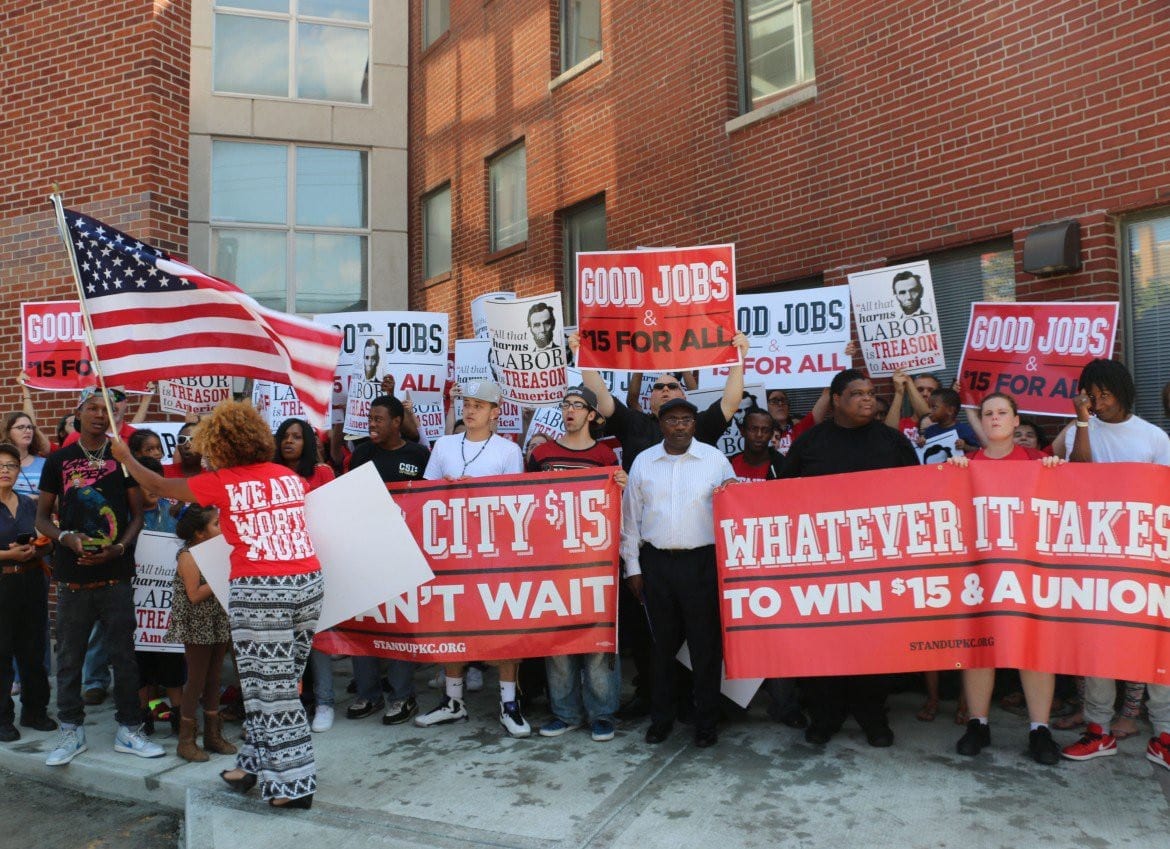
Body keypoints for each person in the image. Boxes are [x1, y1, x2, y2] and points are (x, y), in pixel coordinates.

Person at [111, 401, 323, 808]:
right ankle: (250, 767)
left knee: (273, 693)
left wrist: (125, 458)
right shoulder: (289, 477)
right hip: (308, 585)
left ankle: (296, 785)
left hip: (262, 592)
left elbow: (157, 488)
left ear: (221, 445)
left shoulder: (223, 482)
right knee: (269, 687)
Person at [573, 330, 748, 720]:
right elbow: (601, 397)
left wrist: (738, 355)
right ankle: (656, 706)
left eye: (674, 385)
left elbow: (732, 400)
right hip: (652, 561)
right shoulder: (635, 426)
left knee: (702, 642)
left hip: (700, 560)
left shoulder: (700, 433)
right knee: (653, 641)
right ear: (650, 402)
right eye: (659, 386)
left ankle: (702, 712)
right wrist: (583, 355)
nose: (666, 390)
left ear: (688, 409)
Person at [781, 368, 920, 747]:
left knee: (873, 646)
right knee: (825, 645)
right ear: (836, 399)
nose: (868, 399)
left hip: (878, 564)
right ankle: (826, 715)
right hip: (822, 566)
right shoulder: (810, 443)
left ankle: (872, 715)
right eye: (857, 393)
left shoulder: (892, 442)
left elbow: (922, 493)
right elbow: (776, 495)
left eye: (872, 394)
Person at [1054, 359, 1170, 769]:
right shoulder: (1077, 431)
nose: (1099, 401)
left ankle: (1165, 735)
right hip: (1092, 555)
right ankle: (1098, 731)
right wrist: (1083, 422)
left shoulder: (1153, 437)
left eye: (1105, 393)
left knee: (1153, 646)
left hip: (1143, 558)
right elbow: (1080, 474)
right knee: (1098, 647)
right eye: (1091, 394)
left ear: (1122, 391)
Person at [36, 388, 161, 765]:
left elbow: (137, 515)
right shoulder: (59, 460)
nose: (98, 415)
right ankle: (71, 730)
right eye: (91, 408)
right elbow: (42, 518)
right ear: (78, 414)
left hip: (115, 575)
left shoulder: (123, 458)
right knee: (69, 657)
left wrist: (119, 549)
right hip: (72, 577)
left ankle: (129, 729)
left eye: (105, 410)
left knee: (123, 656)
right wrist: (66, 537)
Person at [944, 392, 1064, 765]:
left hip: (1029, 570)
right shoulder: (966, 464)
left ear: (1016, 422)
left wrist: (1061, 470)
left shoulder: (1040, 462)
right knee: (981, 645)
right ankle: (978, 723)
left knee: (1035, 647)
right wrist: (952, 478)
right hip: (981, 571)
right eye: (988, 413)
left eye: (1002, 413)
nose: (995, 418)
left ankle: (1039, 729)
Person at [414, 380, 528, 736]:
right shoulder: (445, 445)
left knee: (505, 624)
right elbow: (423, 495)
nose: (470, 409)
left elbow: (516, 503)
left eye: (479, 405)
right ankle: (453, 700)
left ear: (496, 413)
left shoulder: (508, 452)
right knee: (452, 623)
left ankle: (509, 703)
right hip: (453, 551)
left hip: (495, 553)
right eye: (467, 403)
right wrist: (445, 487)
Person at [621, 397, 735, 748]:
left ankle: (706, 722)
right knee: (661, 650)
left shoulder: (715, 461)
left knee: (705, 649)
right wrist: (634, 568)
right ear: (661, 424)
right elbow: (630, 521)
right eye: (672, 420)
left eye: (686, 419)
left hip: (702, 564)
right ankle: (662, 719)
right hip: (657, 566)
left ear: (694, 424)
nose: (680, 425)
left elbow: (735, 511)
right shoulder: (644, 462)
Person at [528, 386, 626, 743]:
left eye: (577, 405)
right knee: (558, 644)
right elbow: (521, 501)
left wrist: (621, 485)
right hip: (551, 563)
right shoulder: (541, 454)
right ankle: (565, 713)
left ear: (592, 416)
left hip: (593, 563)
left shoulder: (604, 457)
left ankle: (602, 715)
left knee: (597, 642)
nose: (569, 410)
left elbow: (616, 509)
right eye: (565, 404)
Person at [346, 395, 430, 727]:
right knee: (364, 623)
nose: (372, 424)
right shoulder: (362, 454)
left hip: (403, 553)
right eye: (370, 418)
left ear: (397, 422)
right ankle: (368, 693)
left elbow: (429, 502)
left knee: (398, 624)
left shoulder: (419, 455)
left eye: (379, 419)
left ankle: (402, 696)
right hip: (366, 552)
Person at [272, 418, 337, 732]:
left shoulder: (322, 473)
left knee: (318, 638)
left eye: (296, 437)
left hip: (315, 564)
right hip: (277, 566)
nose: (289, 441)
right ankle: (291, 704)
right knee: (285, 640)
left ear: (307, 443)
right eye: (284, 436)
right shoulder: (268, 473)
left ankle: (324, 703)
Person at [166, 504, 235, 763]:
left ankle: (213, 735)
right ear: (199, 533)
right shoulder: (188, 556)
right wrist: (225, 576)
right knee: (196, 679)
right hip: (197, 624)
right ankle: (186, 740)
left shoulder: (216, 552)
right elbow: (194, 595)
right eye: (216, 524)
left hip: (217, 619)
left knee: (215, 677)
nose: (221, 527)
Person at [0, 442, 56, 743]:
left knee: (33, 650)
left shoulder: (29, 503)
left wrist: (39, 545)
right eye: (0, 465)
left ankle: (35, 710)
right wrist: (8, 556)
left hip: (32, 581)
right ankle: (2, 718)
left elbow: (45, 533)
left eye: (10, 465)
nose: (4, 470)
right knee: (1, 653)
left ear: (18, 470)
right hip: (2, 582)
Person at [919, 388, 980, 463]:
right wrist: (921, 443)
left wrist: (965, 446)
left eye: (934, 407)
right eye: (929, 407)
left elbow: (977, 451)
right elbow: (921, 452)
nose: (929, 411)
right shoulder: (929, 430)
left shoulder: (964, 430)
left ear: (950, 410)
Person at [4, 411, 49, 498]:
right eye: (20, 427)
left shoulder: (45, 463)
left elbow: (54, 499)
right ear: (8, 431)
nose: (28, 431)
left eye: (30, 427)